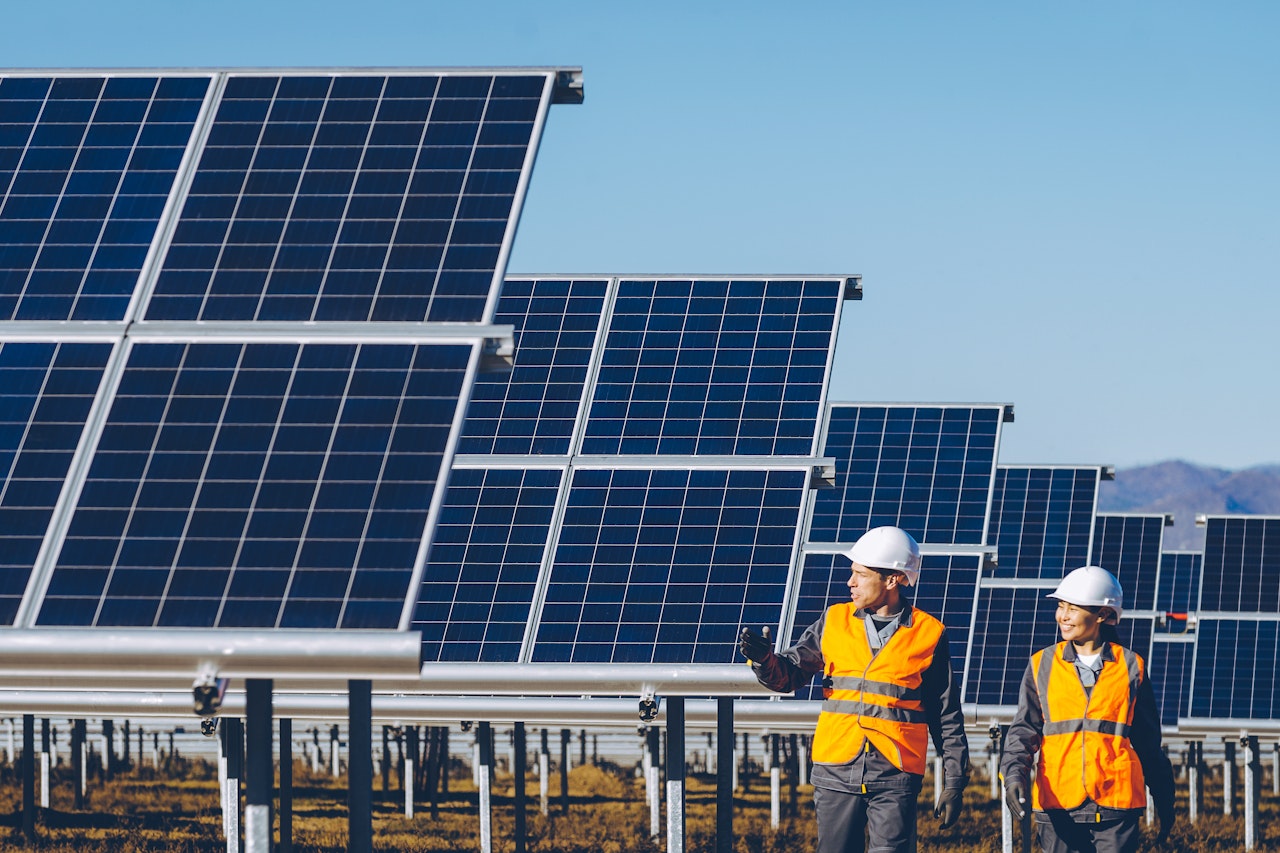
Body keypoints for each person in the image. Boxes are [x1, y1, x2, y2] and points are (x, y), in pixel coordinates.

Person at [739, 526, 969, 853]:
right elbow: (788, 676)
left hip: (896, 771)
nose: (850, 582)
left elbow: (945, 715)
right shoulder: (833, 620)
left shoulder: (929, 633)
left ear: (892, 579)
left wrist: (955, 781)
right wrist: (764, 660)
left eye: (860, 574)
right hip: (836, 767)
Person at [999, 565, 1176, 853]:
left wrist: (1165, 799)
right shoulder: (1041, 664)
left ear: (1103, 615)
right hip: (1057, 801)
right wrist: (1014, 775)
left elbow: (1148, 743)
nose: (1062, 616)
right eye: (1060, 606)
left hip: (1116, 806)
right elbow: (1024, 731)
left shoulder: (1131, 666)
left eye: (1072, 608)